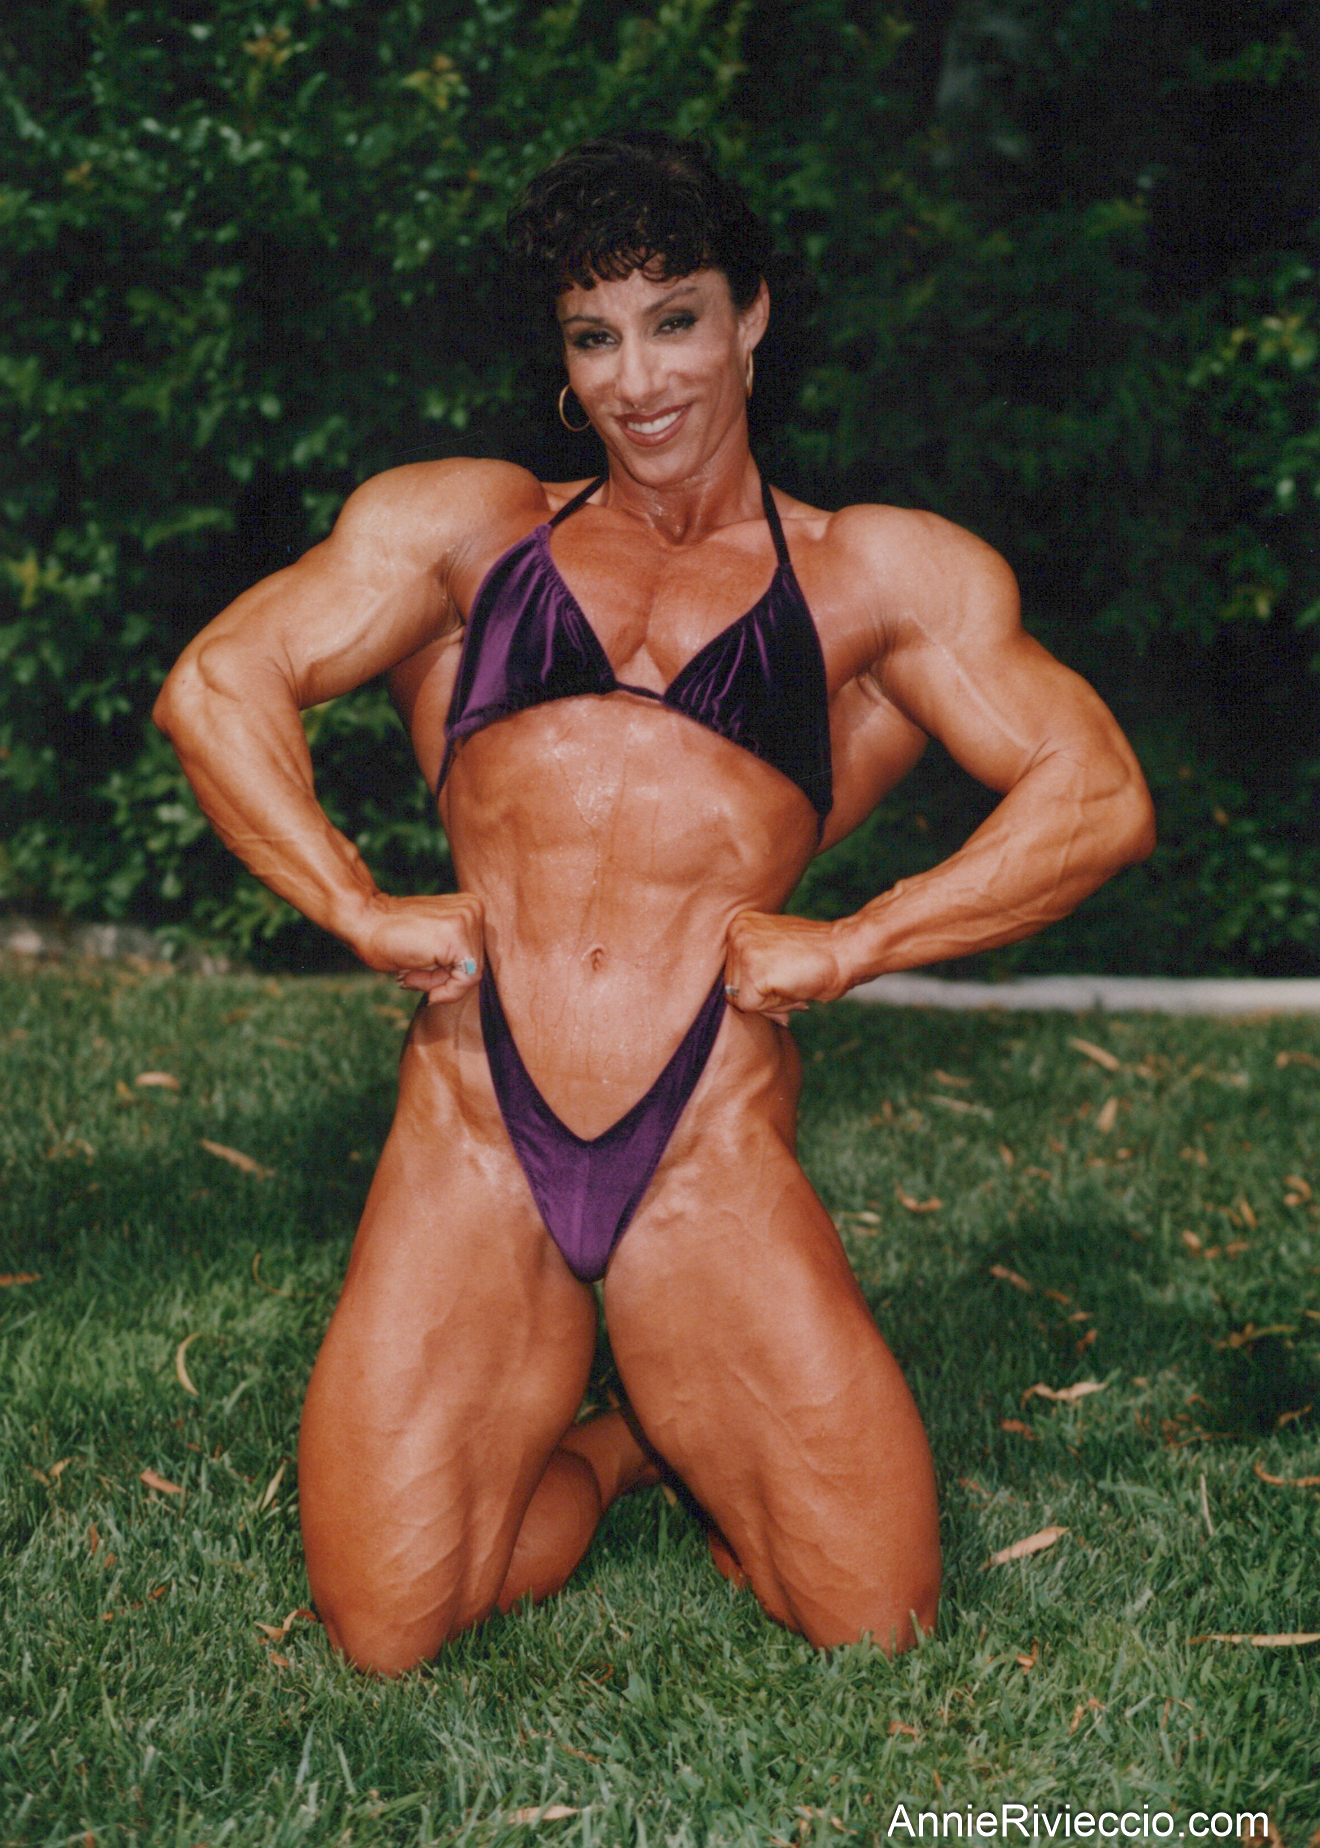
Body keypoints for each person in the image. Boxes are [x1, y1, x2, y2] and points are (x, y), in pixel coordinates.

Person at [154, 131, 1155, 1675]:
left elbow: (1095, 794)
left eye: (673, 321)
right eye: (594, 337)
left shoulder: (870, 575)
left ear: (750, 316)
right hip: (477, 1130)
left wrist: (859, 944)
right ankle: (624, 1450)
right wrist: (354, 904)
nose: (638, 380)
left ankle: (655, 1435)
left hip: (704, 1147)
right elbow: (219, 685)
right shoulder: (478, 531)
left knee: (875, 1626)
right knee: (391, 1633)